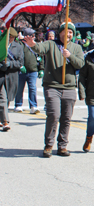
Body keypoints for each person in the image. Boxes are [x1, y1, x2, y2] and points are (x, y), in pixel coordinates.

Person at [24, 22, 85, 157]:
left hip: (69, 87)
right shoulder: (51, 44)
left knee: (66, 118)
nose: (68, 34)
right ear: (60, 32)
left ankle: (62, 145)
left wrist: (69, 56)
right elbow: (40, 48)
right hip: (52, 86)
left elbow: (80, 63)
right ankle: (49, 144)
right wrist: (32, 44)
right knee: (53, 115)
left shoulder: (77, 48)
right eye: (66, 31)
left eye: (71, 32)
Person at [15, 28, 44, 114]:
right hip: (22, 71)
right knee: (20, 88)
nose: (33, 37)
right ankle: (18, 104)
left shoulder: (36, 45)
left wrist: (41, 69)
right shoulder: (20, 44)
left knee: (32, 88)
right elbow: (17, 55)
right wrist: (20, 65)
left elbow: (40, 57)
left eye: (34, 35)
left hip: (33, 70)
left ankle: (33, 106)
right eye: (32, 35)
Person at [0, 27, 24, 132]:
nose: (10, 39)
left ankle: (1, 118)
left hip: (12, 75)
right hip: (1, 75)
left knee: (9, 97)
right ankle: (5, 121)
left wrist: (10, 64)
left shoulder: (18, 47)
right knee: (2, 98)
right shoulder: (1, 45)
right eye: (8, 37)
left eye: (12, 37)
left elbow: (20, 63)